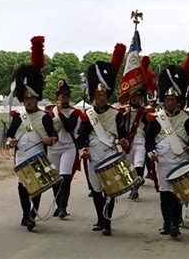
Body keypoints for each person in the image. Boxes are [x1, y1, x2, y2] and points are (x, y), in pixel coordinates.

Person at [5, 36, 58, 232]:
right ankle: (26, 214)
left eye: (32, 98)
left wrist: (50, 139)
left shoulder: (45, 117)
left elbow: (54, 137)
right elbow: (9, 134)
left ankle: (33, 212)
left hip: (38, 155)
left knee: (36, 186)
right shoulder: (18, 117)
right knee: (22, 185)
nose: (29, 101)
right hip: (22, 155)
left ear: (37, 98)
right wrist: (10, 141)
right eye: (26, 98)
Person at [76, 43, 127, 236]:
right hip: (94, 155)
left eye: (104, 94)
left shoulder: (117, 114)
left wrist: (123, 143)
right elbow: (81, 137)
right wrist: (82, 150)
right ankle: (100, 218)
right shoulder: (87, 115)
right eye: (98, 94)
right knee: (97, 190)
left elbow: (123, 138)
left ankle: (108, 222)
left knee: (110, 189)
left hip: (110, 153)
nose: (101, 97)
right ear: (93, 96)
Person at [145, 64, 189, 238]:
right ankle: (166, 223)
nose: (170, 102)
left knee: (178, 194)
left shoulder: (186, 118)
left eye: (173, 99)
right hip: (163, 160)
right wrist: (150, 151)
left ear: (178, 101)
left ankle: (176, 223)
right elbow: (149, 140)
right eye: (167, 99)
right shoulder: (156, 118)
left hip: (180, 159)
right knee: (165, 194)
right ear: (163, 100)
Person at [48, 79, 82, 219]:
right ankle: (58, 204)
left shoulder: (74, 112)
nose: (64, 97)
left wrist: (60, 112)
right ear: (58, 97)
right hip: (54, 148)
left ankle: (63, 206)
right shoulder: (50, 111)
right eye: (62, 95)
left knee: (65, 176)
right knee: (55, 178)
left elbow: (69, 127)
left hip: (68, 146)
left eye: (66, 95)